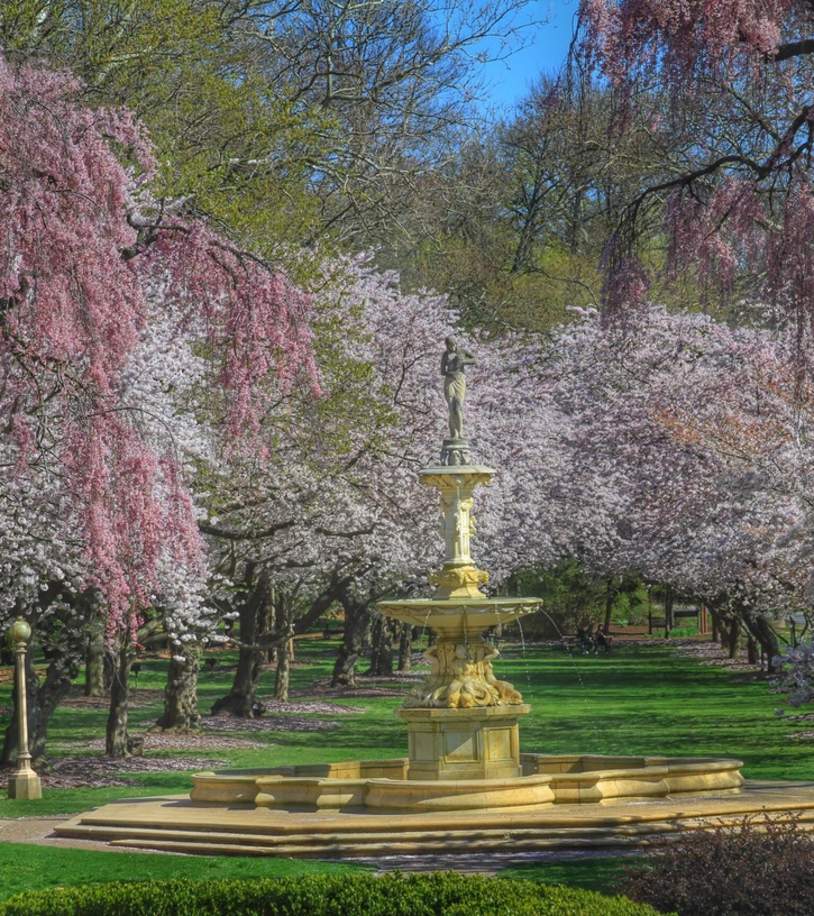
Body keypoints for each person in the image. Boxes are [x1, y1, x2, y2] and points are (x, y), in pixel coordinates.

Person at [441, 337, 475, 440]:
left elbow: (474, 360)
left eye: (452, 345)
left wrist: (463, 361)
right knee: (451, 408)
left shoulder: (462, 351)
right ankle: (454, 433)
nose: (450, 347)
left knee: (458, 407)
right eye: (448, 345)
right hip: (449, 380)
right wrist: (450, 373)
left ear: (455, 343)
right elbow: (442, 371)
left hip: (460, 380)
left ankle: (460, 432)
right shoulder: (445, 354)